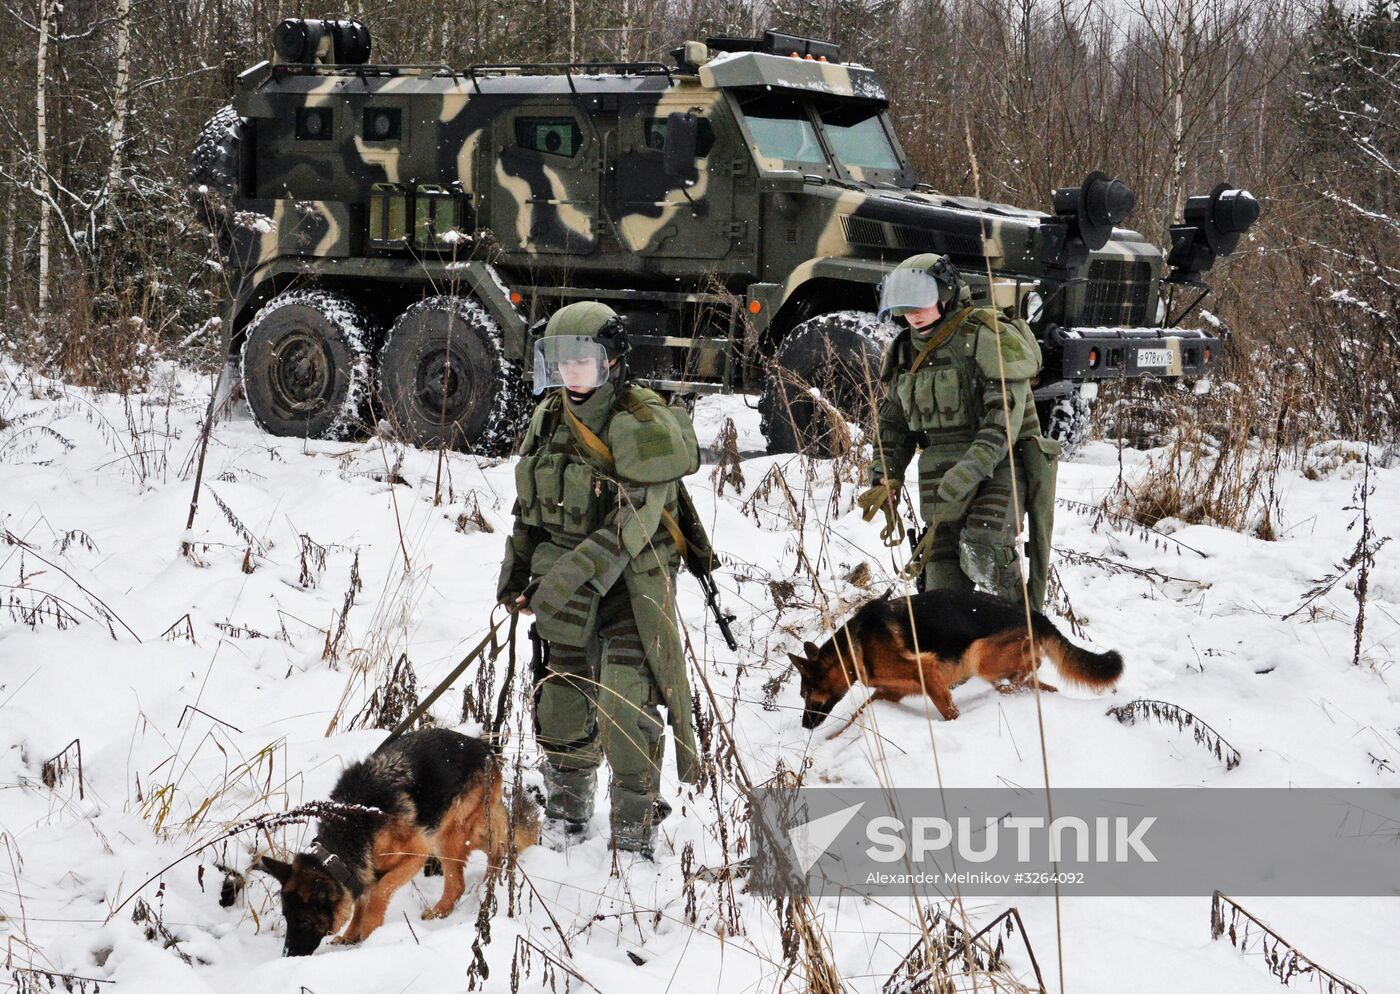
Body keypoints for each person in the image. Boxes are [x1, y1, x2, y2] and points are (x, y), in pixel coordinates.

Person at [497, 300, 700, 858]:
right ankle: (566, 816)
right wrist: (515, 572)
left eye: (581, 361)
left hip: (629, 585)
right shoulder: (547, 418)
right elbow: (529, 509)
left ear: (611, 362)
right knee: (561, 702)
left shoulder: (642, 421)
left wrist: (563, 580)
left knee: (627, 705)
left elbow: (634, 519)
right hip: (560, 581)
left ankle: (634, 834)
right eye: (559, 362)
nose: (570, 374)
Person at [858, 254, 1059, 608]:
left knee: (985, 546)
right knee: (941, 587)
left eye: (921, 301)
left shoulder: (985, 336)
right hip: (942, 473)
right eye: (904, 305)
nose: (913, 313)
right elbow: (893, 423)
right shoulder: (904, 351)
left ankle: (1020, 633)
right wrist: (885, 475)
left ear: (946, 294)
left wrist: (968, 472)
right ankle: (956, 654)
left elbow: (1002, 421)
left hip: (1001, 465)